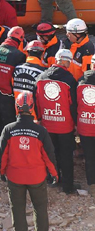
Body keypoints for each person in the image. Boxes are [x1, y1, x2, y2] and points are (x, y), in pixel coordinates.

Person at [0, 93, 58, 231]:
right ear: (32, 108)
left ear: (16, 107)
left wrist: (1, 172)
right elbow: (49, 156)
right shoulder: (40, 131)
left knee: (18, 210)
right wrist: (54, 174)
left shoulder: (8, 129)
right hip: (37, 178)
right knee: (40, 209)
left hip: (15, 178)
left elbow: (2, 155)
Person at [35, 49, 78, 194]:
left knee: (50, 153)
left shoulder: (41, 77)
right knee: (66, 155)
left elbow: (36, 101)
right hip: (65, 125)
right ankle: (68, 187)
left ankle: (53, 179)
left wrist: (40, 118)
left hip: (47, 123)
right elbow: (73, 105)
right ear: (66, 61)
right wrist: (76, 124)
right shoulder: (69, 79)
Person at [0, 26, 26, 156]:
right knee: (8, 126)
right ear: (20, 40)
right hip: (7, 96)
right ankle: (9, 154)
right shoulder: (19, 55)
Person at [12, 40, 47, 118]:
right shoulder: (43, 73)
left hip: (17, 112)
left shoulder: (17, 68)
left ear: (27, 53)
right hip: (35, 116)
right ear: (42, 54)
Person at [78, 56, 95, 196]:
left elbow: (74, 104)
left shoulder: (80, 81)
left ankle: (92, 184)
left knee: (89, 156)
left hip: (85, 126)